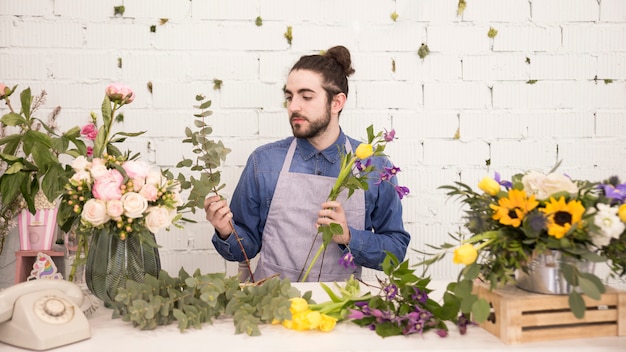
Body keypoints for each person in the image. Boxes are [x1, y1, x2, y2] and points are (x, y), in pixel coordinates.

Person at [204, 45, 410, 282]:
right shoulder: (263, 162)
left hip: (338, 308)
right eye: (289, 97)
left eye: (306, 96)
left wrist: (349, 237)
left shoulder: (374, 167)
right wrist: (226, 230)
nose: (293, 106)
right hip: (272, 304)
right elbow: (247, 248)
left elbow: (395, 251)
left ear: (337, 102)